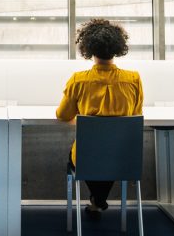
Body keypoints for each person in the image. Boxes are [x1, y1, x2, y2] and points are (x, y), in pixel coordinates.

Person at [56, 18, 143, 219]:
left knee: (87, 155)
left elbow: (62, 115)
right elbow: (135, 114)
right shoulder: (133, 79)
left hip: (88, 158)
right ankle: (97, 200)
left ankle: (97, 200)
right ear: (118, 48)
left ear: (88, 49)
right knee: (109, 153)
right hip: (123, 158)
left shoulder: (79, 79)